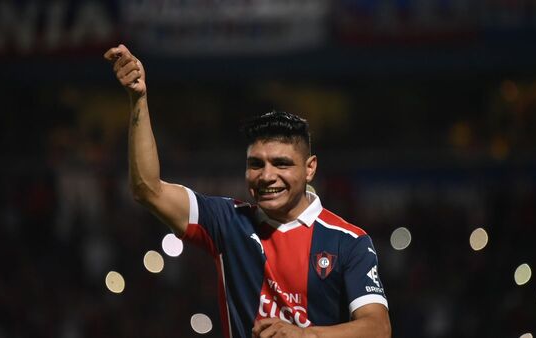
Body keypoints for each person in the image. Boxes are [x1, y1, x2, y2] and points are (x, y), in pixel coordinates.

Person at [104, 44, 392, 338]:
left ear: (310, 168)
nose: (267, 176)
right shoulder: (227, 222)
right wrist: (138, 98)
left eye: (281, 163)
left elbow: (378, 329)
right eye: (256, 164)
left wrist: (304, 335)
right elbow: (146, 189)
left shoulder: (349, 241)